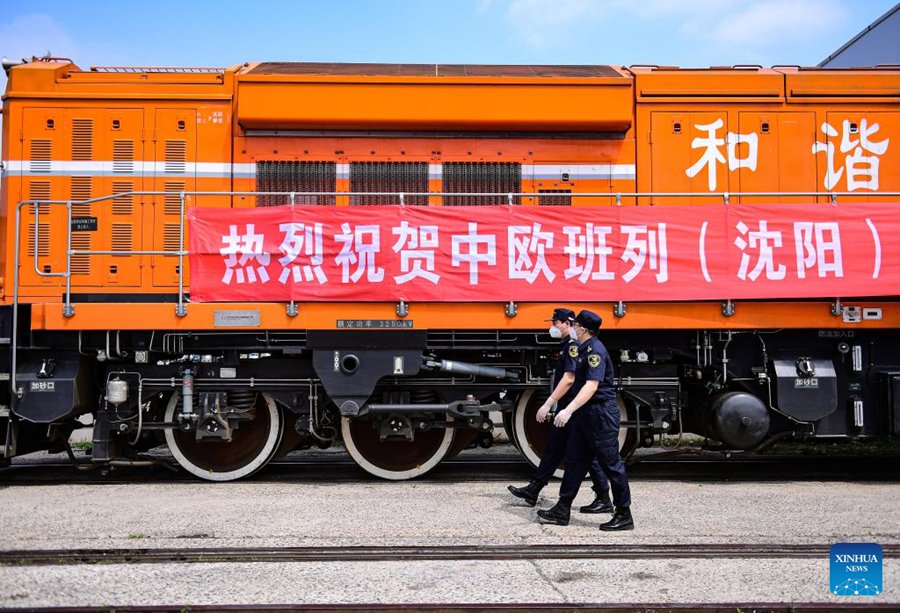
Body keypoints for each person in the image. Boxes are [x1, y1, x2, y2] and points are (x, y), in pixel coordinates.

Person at [507, 308, 613, 514]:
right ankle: (535, 489)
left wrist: (550, 404)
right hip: (568, 405)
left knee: (583, 453)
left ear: (567, 323)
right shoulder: (568, 345)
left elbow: (569, 378)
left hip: (571, 406)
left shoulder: (573, 346)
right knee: (555, 447)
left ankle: (602, 497)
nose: (552, 327)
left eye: (556, 323)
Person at [536, 309, 633, 531]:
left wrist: (567, 409)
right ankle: (562, 509)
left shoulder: (594, 351)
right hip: (585, 414)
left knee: (612, 465)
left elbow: (592, 385)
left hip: (600, 414)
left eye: (576, 324)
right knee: (575, 462)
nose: (573, 327)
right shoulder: (581, 348)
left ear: (583, 329)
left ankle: (624, 514)